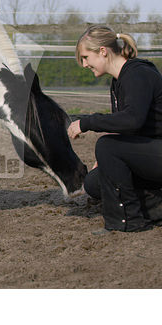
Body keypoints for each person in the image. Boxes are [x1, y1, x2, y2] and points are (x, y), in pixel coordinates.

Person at [67, 25, 162, 233]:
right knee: (93, 182)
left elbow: (132, 120)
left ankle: (128, 221)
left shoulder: (138, 74)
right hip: (151, 154)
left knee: (107, 146)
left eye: (85, 57)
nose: (84, 64)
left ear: (102, 51)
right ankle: (155, 206)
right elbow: (125, 126)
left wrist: (87, 122)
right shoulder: (119, 81)